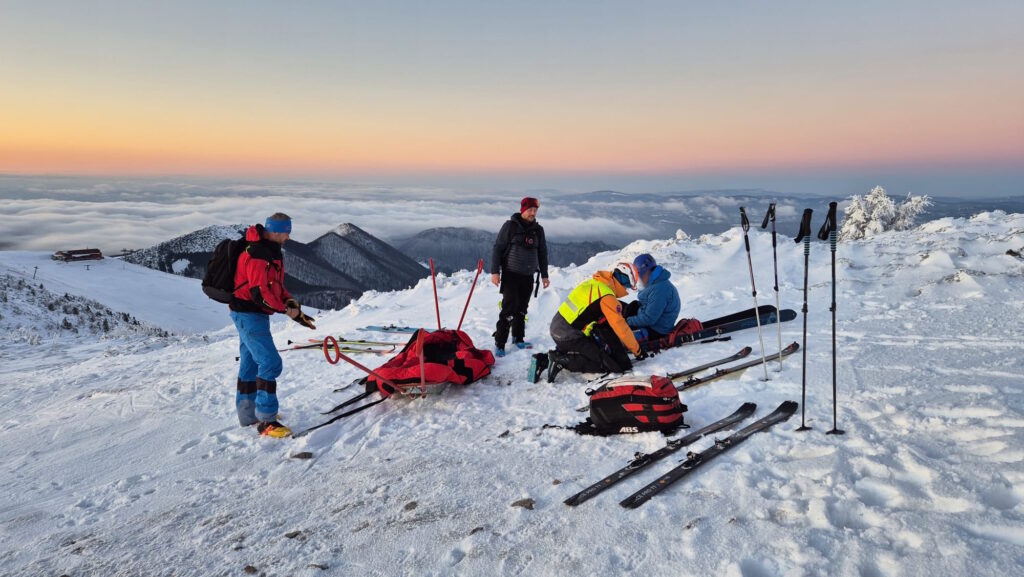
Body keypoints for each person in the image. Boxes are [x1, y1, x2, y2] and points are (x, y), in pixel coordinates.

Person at [229, 213, 315, 438]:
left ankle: (248, 415)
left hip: (250, 313)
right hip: (248, 313)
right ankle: (266, 421)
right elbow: (261, 294)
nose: (288, 237)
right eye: (286, 232)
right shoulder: (258, 255)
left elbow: (273, 285)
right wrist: (286, 310)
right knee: (270, 363)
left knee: (250, 362)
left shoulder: (268, 251)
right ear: (275, 231)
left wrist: (289, 301)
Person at [531, 262, 646, 383]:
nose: (626, 289)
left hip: (558, 328)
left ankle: (543, 359)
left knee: (593, 350)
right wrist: (637, 350)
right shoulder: (607, 296)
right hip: (568, 335)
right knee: (607, 363)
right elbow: (621, 328)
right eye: (627, 286)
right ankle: (560, 361)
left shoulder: (595, 283)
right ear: (625, 280)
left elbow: (588, 309)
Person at [490, 197, 550, 356]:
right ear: (523, 210)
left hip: (528, 276)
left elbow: (542, 253)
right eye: (530, 210)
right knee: (508, 309)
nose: (533, 213)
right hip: (511, 274)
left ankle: (518, 337)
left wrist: (544, 275)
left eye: (535, 210)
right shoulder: (510, 227)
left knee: (522, 309)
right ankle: (500, 343)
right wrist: (495, 272)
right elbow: (498, 249)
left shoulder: (538, 230)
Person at [624, 253, 681, 342]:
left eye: (639, 275)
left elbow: (649, 319)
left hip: (657, 330)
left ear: (647, 272)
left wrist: (627, 321)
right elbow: (650, 304)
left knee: (622, 339)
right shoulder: (655, 283)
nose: (639, 278)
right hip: (652, 322)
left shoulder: (660, 289)